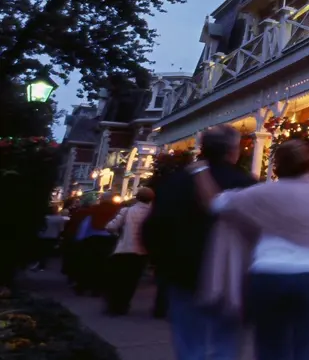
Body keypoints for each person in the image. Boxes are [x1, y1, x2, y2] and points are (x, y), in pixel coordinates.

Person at [188, 139, 309, 360]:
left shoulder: (261, 193)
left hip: (268, 275)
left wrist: (201, 170)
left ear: (277, 165)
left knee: (270, 346)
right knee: (306, 345)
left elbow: (215, 204)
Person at [142, 126, 255, 360]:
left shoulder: (176, 182)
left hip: (183, 272)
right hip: (230, 275)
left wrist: (161, 264)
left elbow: (153, 227)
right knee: (225, 343)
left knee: (189, 343)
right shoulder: (246, 185)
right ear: (234, 151)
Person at [104, 187, 154, 315]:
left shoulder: (127, 211)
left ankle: (114, 305)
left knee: (118, 279)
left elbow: (110, 226)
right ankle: (124, 304)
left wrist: (117, 234)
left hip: (124, 250)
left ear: (137, 197)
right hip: (142, 252)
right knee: (132, 281)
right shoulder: (153, 213)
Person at [74, 193, 122, 295]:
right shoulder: (116, 210)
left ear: (102, 199)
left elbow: (86, 224)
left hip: (92, 238)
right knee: (103, 264)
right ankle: (97, 289)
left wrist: (80, 238)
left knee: (88, 263)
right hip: (109, 239)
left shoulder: (94, 209)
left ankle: (82, 286)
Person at [31, 206, 68, 271]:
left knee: (42, 251)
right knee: (46, 251)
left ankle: (40, 264)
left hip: (43, 236)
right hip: (53, 236)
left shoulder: (44, 218)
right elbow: (61, 229)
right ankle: (41, 265)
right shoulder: (59, 219)